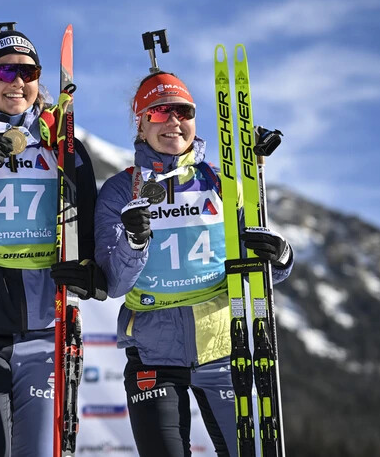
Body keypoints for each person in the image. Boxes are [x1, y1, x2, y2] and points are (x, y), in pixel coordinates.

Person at [94, 71, 294, 457]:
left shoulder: (221, 183)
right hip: (152, 353)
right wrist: (135, 242)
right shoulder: (120, 190)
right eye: (159, 112)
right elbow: (114, 284)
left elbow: (257, 268)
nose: (173, 121)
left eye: (183, 111)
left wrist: (281, 258)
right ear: (140, 124)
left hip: (225, 347)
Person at [0, 26, 107, 457]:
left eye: (28, 73)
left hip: (45, 330)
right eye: (5, 71)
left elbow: (87, 236)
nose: (17, 82)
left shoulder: (64, 147)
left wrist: (90, 273)